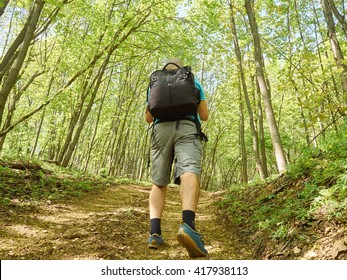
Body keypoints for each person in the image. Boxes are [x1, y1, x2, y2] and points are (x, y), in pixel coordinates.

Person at [145, 58, 209, 258]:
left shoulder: (155, 82)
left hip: (160, 130)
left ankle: (154, 233)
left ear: (165, 68)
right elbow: (204, 115)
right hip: (187, 127)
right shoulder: (192, 80)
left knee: (159, 182)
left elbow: (148, 117)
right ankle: (188, 225)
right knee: (189, 171)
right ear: (181, 68)